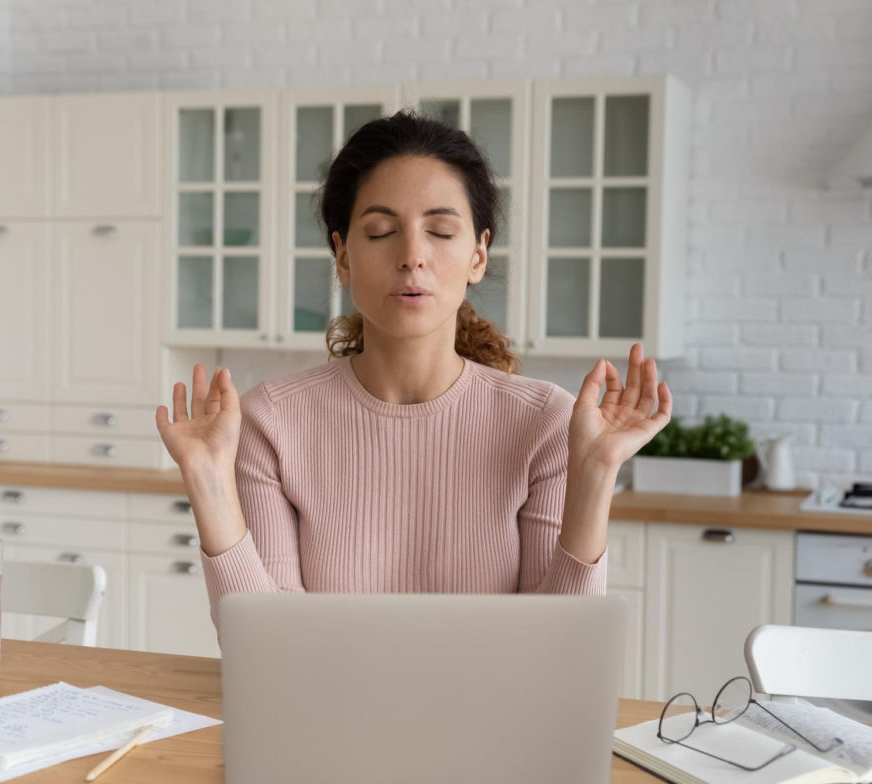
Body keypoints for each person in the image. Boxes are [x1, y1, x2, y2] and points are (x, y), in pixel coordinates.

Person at [156, 111, 672, 631]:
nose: (412, 256)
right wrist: (207, 481)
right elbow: (266, 644)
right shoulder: (272, 421)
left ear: (478, 255)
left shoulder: (544, 423)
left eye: (441, 231)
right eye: (381, 231)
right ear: (342, 256)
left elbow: (560, 648)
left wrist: (596, 473)